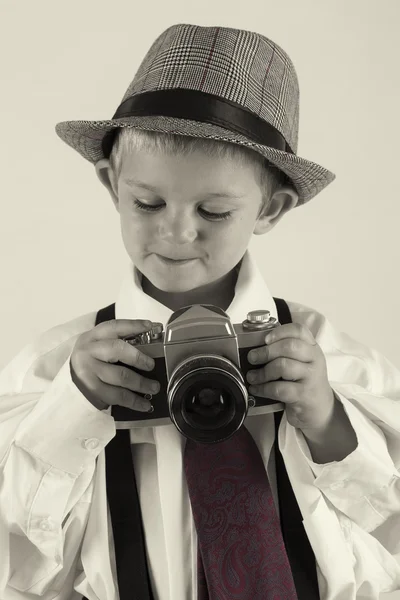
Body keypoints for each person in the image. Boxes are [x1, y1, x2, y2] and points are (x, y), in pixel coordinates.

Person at [1, 22, 400, 600]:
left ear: (271, 209)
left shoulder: (326, 358)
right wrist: (72, 406)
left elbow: (387, 519)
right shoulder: (57, 368)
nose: (176, 231)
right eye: (148, 202)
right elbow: (21, 555)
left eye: (213, 212)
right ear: (112, 184)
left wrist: (327, 418)